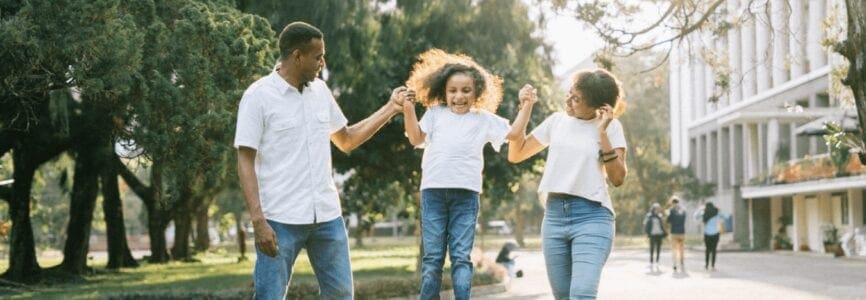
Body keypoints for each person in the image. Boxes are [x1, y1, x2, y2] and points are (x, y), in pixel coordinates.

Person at [234, 21, 405, 299]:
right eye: (318, 56)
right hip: (279, 220)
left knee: (340, 295)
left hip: (326, 216)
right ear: (297, 56)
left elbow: (346, 139)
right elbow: (245, 160)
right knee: (269, 296)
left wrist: (391, 108)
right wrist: (258, 221)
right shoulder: (258, 96)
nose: (322, 63)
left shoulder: (320, 92)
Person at [400, 49, 512, 300]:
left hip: (466, 195)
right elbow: (416, 138)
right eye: (453, 91)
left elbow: (513, 133)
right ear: (444, 91)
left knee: (461, 258)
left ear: (477, 93)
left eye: (466, 90)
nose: (459, 96)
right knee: (432, 260)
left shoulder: (482, 119)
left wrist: (526, 105)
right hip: (433, 193)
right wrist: (408, 108)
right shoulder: (435, 114)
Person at [507, 69, 628, 299]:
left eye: (576, 99)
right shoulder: (557, 122)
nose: (568, 101)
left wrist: (602, 133)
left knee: (581, 294)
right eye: (569, 94)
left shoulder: (612, 127)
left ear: (598, 107)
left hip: (592, 217)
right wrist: (525, 107)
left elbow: (618, 178)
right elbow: (516, 153)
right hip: (554, 217)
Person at [666, 197, 687, 272]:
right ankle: (682, 262)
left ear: (672, 203)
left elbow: (668, 221)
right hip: (682, 232)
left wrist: (668, 214)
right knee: (681, 249)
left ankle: (675, 264)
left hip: (674, 232)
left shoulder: (671, 211)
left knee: (674, 249)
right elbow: (684, 219)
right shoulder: (683, 210)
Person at [700, 202, 722, 271]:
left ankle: (706, 265)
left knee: (707, 250)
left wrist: (700, 209)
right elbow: (725, 217)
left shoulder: (704, 214)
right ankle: (713, 265)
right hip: (715, 234)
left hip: (707, 234)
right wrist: (719, 210)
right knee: (714, 250)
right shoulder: (717, 213)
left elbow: (695, 216)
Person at [643, 203, 667, 267]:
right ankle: (651, 261)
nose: (657, 210)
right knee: (652, 248)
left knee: (658, 248)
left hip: (659, 234)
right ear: (653, 209)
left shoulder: (660, 216)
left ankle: (657, 260)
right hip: (652, 234)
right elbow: (645, 223)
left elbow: (662, 225)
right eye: (656, 209)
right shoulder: (649, 216)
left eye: (658, 209)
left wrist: (664, 232)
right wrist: (647, 232)